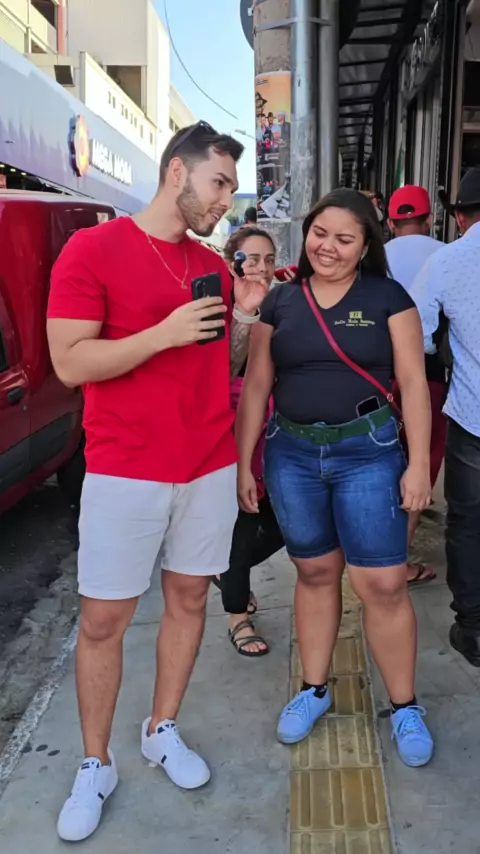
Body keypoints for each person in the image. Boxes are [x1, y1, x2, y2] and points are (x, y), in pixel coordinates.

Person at [46, 121, 269, 842]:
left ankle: (160, 728)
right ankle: (94, 762)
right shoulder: (93, 250)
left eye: (231, 187)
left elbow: (220, 365)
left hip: (206, 463)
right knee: (103, 620)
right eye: (219, 183)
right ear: (178, 172)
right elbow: (70, 363)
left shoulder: (210, 264)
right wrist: (161, 334)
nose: (226, 200)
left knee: (190, 600)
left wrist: (243, 316)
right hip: (124, 466)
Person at [236, 188, 434, 768]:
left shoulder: (388, 297)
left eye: (345, 239)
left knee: (384, 585)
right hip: (292, 455)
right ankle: (313, 689)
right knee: (315, 572)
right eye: (320, 233)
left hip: (368, 452)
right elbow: (257, 384)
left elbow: (413, 384)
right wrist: (245, 461)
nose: (328, 247)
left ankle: (404, 706)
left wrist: (419, 464)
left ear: (366, 245)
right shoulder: (281, 300)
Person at [411, 167, 480, 667]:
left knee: (468, 522)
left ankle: (473, 629)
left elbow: (417, 337)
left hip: (472, 417)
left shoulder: (445, 261)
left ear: (458, 216)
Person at [212, 227, 284, 656]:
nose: (262, 267)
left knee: (283, 523)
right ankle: (238, 616)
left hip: (276, 430)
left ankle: (224, 571)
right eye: (251, 259)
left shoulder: (281, 300)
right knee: (241, 522)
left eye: (269, 259)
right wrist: (244, 312)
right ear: (231, 263)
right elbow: (220, 369)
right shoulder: (217, 305)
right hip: (232, 430)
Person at [386, 185, 446, 586]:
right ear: (428, 220)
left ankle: (377, 553)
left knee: (383, 461)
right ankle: (398, 561)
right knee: (421, 459)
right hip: (428, 372)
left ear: (391, 223)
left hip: (378, 373)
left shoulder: (374, 256)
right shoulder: (447, 254)